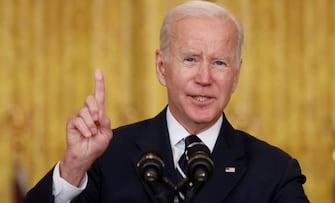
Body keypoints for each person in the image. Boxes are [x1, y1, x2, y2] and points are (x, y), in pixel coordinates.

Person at [23, 1, 310, 202]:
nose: (205, 77)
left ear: (235, 77)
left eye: (220, 63)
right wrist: (73, 166)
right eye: (190, 59)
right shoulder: (106, 157)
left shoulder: (274, 171)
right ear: (162, 68)